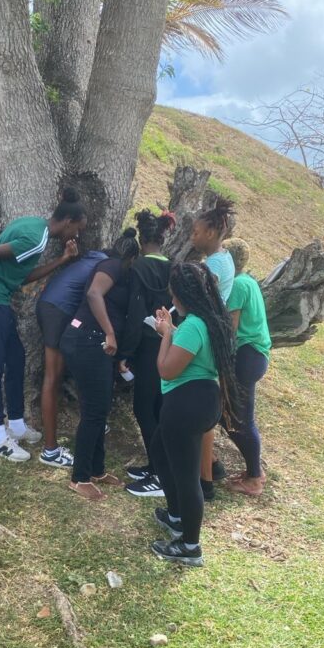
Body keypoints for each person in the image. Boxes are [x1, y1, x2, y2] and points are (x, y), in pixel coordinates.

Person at [0, 188, 86, 462]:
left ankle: (16, 425)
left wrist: (62, 260)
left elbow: (22, 276)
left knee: (16, 358)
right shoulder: (36, 239)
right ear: (68, 222)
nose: (77, 235)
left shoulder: (35, 227)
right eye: (77, 228)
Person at [150, 263, 239, 567]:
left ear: (184, 294)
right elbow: (192, 349)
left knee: (187, 478)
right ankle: (176, 516)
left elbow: (167, 369)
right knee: (159, 450)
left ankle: (190, 545)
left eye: (174, 294)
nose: (172, 299)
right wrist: (172, 329)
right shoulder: (211, 321)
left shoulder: (193, 325)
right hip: (204, 399)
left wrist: (165, 334)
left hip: (186, 404)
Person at [60, 229, 140, 500]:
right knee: (94, 410)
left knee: (99, 407)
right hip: (89, 340)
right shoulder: (113, 265)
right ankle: (79, 477)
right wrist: (110, 332)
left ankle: (96, 469)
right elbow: (94, 294)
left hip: (92, 343)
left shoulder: (112, 267)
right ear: (131, 257)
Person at [36, 242, 109, 467]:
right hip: (59, 310)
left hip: (50, 305)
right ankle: (50, 451)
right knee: (52, 377)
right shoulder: (107, 266)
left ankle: (91, 420)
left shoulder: (91, 258)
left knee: (66, 371)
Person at [119, 209, 175, 498]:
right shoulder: (174, 268)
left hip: (146, 347)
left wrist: (125, 353)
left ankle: (160, 472)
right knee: (158, 408)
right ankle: (156, 465)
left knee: (143, 408)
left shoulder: (138, 268)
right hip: (169, 342)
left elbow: (134, 315)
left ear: (141, 240)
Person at [190, 196, 236, 498]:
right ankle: (213, 465)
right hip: (211, 334)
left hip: (206, 337)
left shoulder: (215, 265)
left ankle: (205, 480)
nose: (192, 237)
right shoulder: (223, 258)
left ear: (210, 232)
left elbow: (201, 295)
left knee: (202, 413)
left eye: (195, 232)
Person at [224, 239, 271, 496]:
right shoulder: (248, 281)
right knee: (234, 416)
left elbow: (231, 330)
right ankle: (254, 471)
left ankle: (254, 477)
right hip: (254, 354)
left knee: (240, 418)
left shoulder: (238, 285)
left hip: (247, 355)